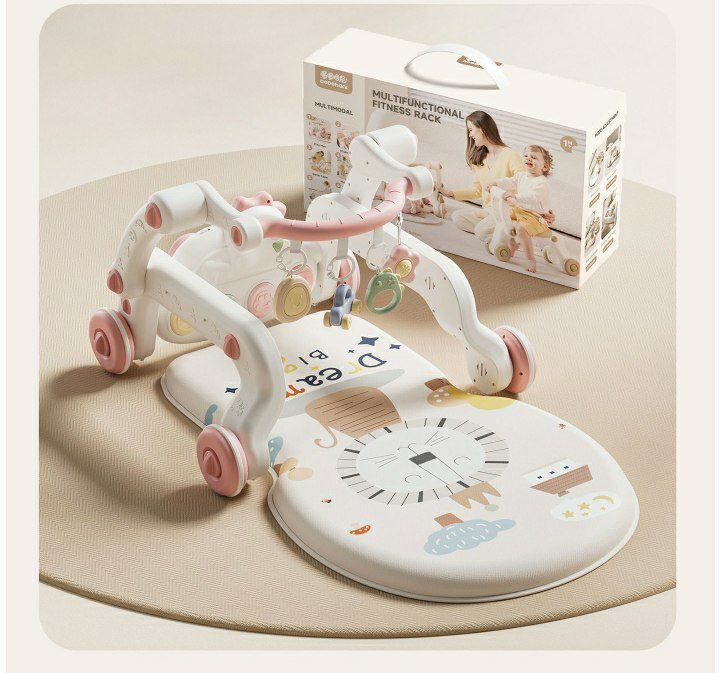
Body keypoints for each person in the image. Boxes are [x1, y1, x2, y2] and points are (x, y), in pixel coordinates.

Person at [439, 110, 554, 235]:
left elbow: (527, 183)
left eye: (471, 130)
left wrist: (541, 212)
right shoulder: (478, 159)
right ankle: (502, 232)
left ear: (482, 129)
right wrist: (450, 193)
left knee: (482, 230)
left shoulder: (510, 155)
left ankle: (503, 231)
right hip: (488, 211)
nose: (470, 135)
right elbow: (478, 190)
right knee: (457, 216)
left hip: (508, 211)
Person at [487, 145, 553, 273]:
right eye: (526, 156)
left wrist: (515, 196)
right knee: (503, 218)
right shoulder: (521, 175)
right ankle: (512, 243)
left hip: (535, 216)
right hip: (520, 210)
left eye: (534, 157)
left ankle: (531, 260)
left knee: (521, 230)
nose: (528, 159)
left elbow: (533, 197)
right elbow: (510, 181)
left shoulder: (541, 183)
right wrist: (495, 183)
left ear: (544, 167)